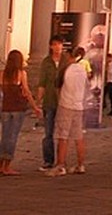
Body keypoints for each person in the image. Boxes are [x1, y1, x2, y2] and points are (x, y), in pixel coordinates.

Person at [47, 46, 89, 176]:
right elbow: (86, 86)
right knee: (78, 136)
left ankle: (60, 165)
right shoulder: (82, 69)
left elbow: (58, 86)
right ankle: (80, 164)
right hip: (78, 105)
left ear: (70, 56)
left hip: (66, 104)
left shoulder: (66, 69)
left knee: (63, 136)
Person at [1, 49, 41, 175]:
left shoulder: (2, 74)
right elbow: (27, 91)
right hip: (18, 108)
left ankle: (0, 164)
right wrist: (35, 107)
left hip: (5, 108)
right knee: (12, 137)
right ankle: (7, 166)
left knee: (5, 136)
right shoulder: (21, 74)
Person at [36, 35, 70, 170]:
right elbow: (42, 83)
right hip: (50, 101)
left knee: (63, 133)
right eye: (55, 44)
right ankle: (48, 160)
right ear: (51, 46)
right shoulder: (46, 62)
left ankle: (61, 160)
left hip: (64, 101)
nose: (57, 47)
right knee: (48, 133)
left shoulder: (66, 60)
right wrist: (38, 102)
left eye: (60, 44)